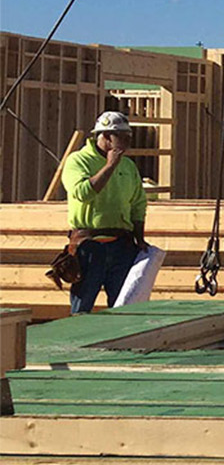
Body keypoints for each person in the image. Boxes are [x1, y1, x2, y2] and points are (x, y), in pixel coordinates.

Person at [61, 111, 148, 314]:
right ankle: (77, 344)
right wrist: (109, 166)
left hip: (121, 246)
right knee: (82, 307)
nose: (127, 142)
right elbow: (82, 193)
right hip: (90, 247)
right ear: (107, 137)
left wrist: (139, 237)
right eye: (123, 137)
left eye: (129, 137)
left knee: (123, 306)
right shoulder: (78, 161)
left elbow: (138, 203)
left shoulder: (128, 166)